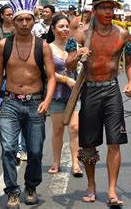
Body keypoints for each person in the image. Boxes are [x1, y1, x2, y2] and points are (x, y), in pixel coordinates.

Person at [66, 0, 131, 207]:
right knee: (88, 144)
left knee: (115, 142)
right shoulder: (80, 34)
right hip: (90, 90)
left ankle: (112, 190)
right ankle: (91, 185)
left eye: (111, 7)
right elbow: (68, 64)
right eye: (103, 7)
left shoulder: (123, 34)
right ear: (94, 10)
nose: (108, 11)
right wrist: (78, 55)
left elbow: (130, 61)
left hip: (112, 90)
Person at [0, 0, 56, 208]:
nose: (25, 24)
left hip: (35, 102)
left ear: (33, 21)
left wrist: (46, 101)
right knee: (8, 149)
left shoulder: (43, 46)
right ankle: (12, 191)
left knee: (35, 151)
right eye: (20, 20)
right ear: (13, 21)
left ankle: (31, 186)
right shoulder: (3, 45)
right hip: (10, 103)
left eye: (28, 19)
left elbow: (52, 77)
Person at [46, 15, 83, 177]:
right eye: (61, 26)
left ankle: (76, 163)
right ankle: (56, 162)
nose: (65, 29)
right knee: (58, 129)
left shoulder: (73, 45)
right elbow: (47, 72)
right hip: (56, 92)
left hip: (74, 93)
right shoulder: (47, 48)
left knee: (75, 128)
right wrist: (66, 79)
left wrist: (82, 55)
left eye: (67, 26)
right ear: (53, 29)